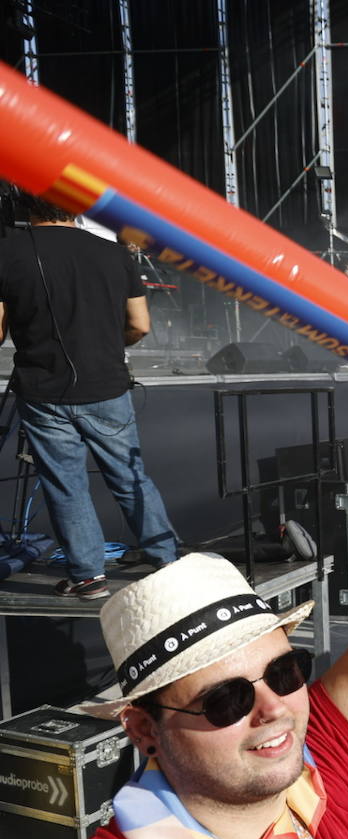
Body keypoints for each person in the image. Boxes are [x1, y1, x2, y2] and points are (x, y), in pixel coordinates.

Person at [25, 314, 348, 839]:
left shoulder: (323, 765)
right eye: (225, 700)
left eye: (287, 672)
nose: (273, 709)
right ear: (143, 732)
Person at [0, 191, 178, 598]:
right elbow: (140, 325)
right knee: (129, 476)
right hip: (108, 385)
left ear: (27, 208)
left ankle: (88, 576)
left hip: (44, 392)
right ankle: (167, 561)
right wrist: (106, 344)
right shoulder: (115, 253)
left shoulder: (8, 251)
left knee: (66, 484)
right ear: (76, 209)